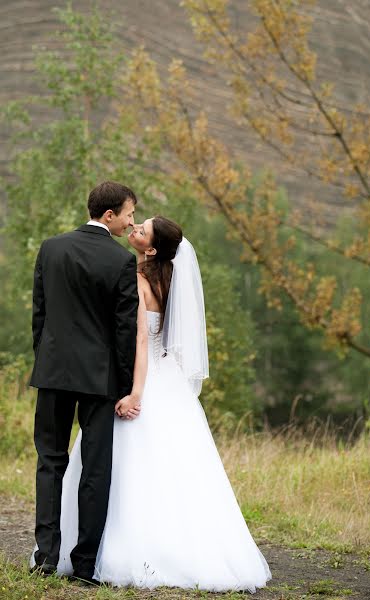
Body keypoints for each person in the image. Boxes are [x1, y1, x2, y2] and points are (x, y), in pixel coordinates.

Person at [55, 214, 272, 592]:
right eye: (137, 224)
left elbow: (140, 340)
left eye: (143, 230)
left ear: (151, 248)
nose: (135, 229)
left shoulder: (139, 281)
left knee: (124, 465)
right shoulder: (171, 280)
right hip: (171, 385)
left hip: (147, 381)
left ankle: (125, 550)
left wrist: (136, 393)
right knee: (181, 469)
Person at [29, 181, 139, 585]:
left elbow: (39, 315)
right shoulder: (120, 260)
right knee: (95, 470)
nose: (131, 221)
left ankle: (45, 558)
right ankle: (85, 567)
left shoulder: (51, 248)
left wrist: (46, 359)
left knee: (50, 462)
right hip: (99, 378)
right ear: (108, 215)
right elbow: (124, 329)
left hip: (53, 372)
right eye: (129, 213)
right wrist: (126, 385)